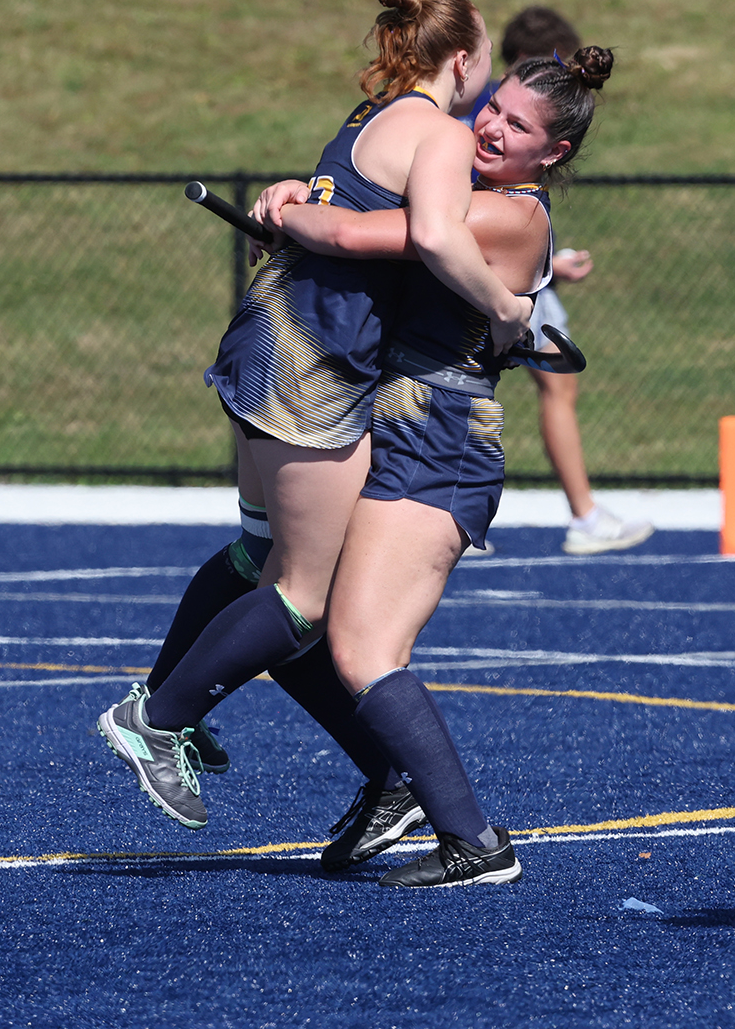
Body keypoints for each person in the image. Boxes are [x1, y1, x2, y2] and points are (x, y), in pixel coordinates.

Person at [98, 0, 533, 831]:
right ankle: (156, 721)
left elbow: (344, 209)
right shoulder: (441, 132)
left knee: (257, 552)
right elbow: (439, 237)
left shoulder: (367, 115)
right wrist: (510, 309)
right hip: (316, 361)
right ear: (463, 60)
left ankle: (172, 698)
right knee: (305, 598)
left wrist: (294, 200)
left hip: (264, 335)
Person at [266, 46, 617, 885]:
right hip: (393, 420)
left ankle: (473, 840)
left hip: (441, 439)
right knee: (292, 616)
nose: (491, 124)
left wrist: (290, 206)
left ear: (554, 153)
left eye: (518, 124)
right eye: (493, 106)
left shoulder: (506, 216)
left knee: (362, 648)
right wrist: (298, 197)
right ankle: (397, 786)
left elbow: (355, 230)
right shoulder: (471, 190)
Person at [461, 6, 651, 555]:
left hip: (507, 271)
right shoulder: (483, 132)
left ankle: (469, 503)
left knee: (540, 381)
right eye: (499, 109)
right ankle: (583, 513)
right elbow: (431, 232)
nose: (495, 123)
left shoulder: (517, 197)